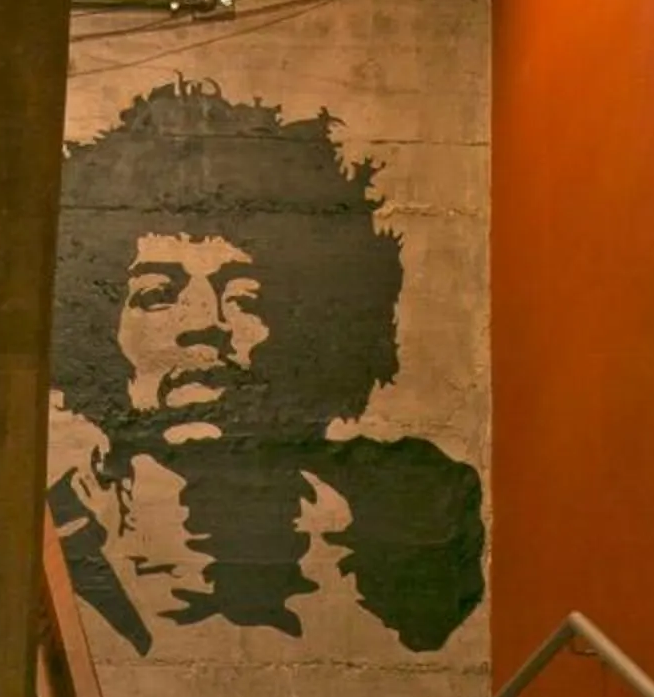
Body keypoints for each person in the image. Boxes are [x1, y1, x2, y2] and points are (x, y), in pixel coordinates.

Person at [50, 77, 484, 655]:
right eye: (158, 294)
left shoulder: (405, 521)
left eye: (247, 297)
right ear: (101, 328)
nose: (206, 321)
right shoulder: (42, 535)